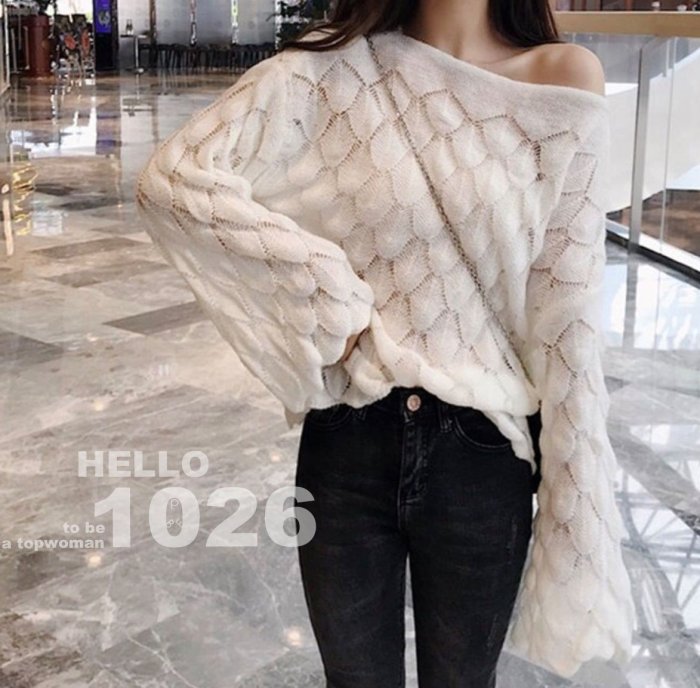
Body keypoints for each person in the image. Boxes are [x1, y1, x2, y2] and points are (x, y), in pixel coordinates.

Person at [136, 0, 636, 685]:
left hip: (481, 457)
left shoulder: (563, 78)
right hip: (347, 441)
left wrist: (578, 506)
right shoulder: (329, 68)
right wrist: (324, 293)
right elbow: (173, 180)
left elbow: (566, 318)